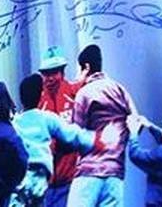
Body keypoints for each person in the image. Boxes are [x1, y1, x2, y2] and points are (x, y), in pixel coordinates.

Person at [11, 73, 99, 207]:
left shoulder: (15, 123)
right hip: (41, 182)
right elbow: (72, 135)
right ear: (41, 95)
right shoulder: (46, 118)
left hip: (21, 182)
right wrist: (95, 139)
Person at [68, 45, 134, 207]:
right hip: (115, 174)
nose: (77, 75)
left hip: (89, 173)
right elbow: (134, 122)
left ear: (86, 67)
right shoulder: (120, 90)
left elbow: (77, 136)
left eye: (78, 70)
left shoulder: (84, 93)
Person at [37, 46, 86, 207]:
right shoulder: (37, 102)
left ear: (62, 72)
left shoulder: (75, 94)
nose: (49, 78)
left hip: (70, 181)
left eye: (54, 73)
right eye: (46, 74)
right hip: (45, 186)